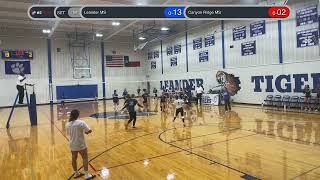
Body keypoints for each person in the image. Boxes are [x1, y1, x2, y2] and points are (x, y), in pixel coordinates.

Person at [66, 109, 95, 180]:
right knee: (85, 158)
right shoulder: (81, 122)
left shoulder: (67, 124)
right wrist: (87, 132)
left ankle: (76, 173)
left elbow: (68, 134)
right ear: (78, 115)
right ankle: (86, 175)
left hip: (72, 144)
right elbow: (89, 130)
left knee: (74, 158)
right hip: (81, 144)